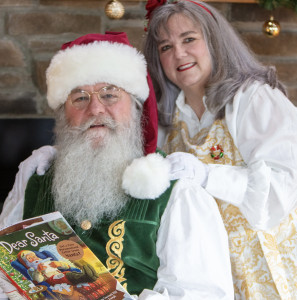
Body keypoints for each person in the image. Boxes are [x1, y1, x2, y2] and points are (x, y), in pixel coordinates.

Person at [0, 32, 234, 299]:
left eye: (109, 95)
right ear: (63, 114)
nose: (95, 109)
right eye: (80, 98)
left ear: (136, 108)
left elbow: (203, 293)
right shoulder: (35, 176)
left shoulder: (178, 190)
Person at [143, 1, 297, 299]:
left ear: (214, 41)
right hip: (207, 273)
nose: (178, 53)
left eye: (189, 39)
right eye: (165, 47)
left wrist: (208, 175)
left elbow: (285, 185)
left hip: (268, 264)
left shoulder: (254, 99)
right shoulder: (168, 119)